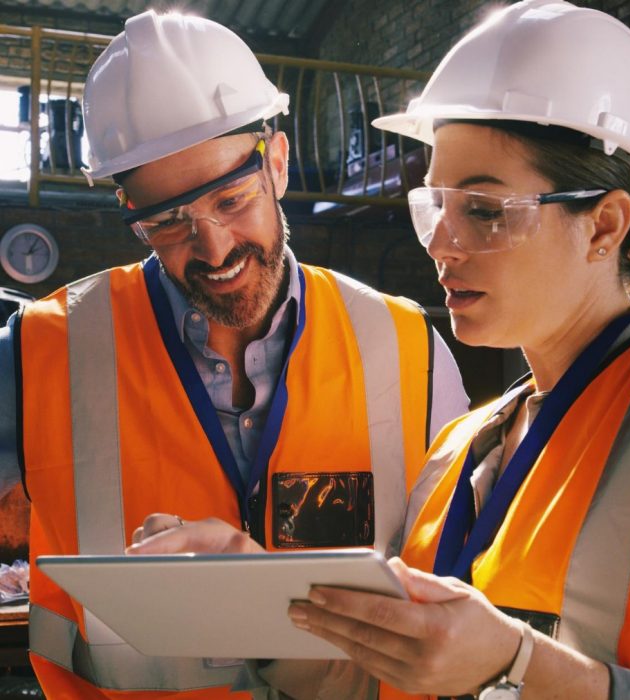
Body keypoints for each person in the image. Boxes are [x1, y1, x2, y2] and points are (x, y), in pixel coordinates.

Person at [137, 2, 630, 699]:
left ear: (604, 225)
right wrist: (255, 597)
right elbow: (383, 680)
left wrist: (518, 666)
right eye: (436, 206)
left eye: (485, 211)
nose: (439, 243)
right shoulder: (461, 448)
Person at [0, 9, 469, 699]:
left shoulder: (410, 350)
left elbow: (458, 606)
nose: (214, 248)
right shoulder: (38, 351)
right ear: (130, 210)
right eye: (167, 222)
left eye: (232, 197)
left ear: (276, 163)